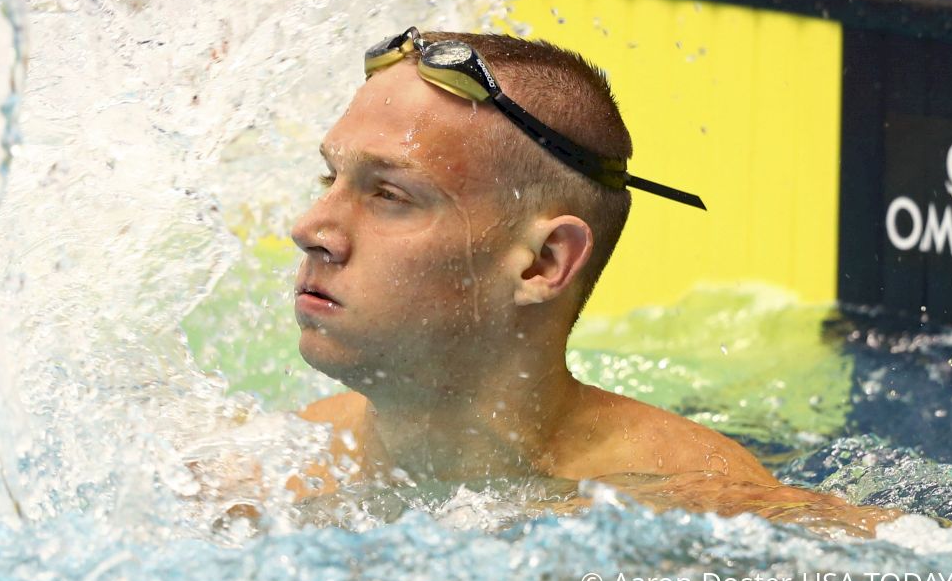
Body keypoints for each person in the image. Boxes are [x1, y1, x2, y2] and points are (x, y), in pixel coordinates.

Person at [286, 28, 894, 534]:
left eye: (390, 195)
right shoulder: (291, 460)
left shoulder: (691, 515)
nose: (311, 228)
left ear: (543, 263)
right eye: (328, 180)